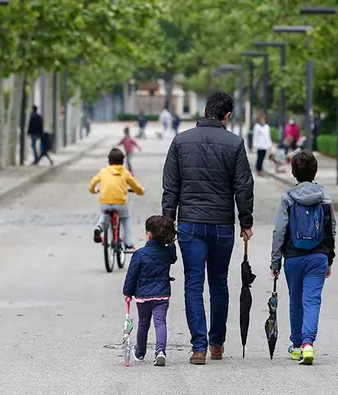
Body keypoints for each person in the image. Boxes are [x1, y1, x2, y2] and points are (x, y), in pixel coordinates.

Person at [162, 91, 254, 365]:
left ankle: (198, 347)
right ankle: (217, 343)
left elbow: (171, 187)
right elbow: (243, 186)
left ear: (204, 111)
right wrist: (245, 221)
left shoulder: (180, 141)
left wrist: (168, 222)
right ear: (227, 116)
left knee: (193, 283)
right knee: (219, 283)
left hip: (190, 224)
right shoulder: (235, 144)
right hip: (222, 225)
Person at [270, 151, 336, 365]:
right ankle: (308, 343)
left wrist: (275, 261)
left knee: (296, 301)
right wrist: (330, 259)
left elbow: (279, 231)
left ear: (294, 172)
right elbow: (330, 230)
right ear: (315, 171)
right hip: (318, 256)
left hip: (293, 257)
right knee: (312, 300)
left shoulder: (287, 198)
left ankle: (297, 346)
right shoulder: (324, 197)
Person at [123, 215, 178, 366]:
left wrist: (128, 292)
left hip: (143, 296)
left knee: (143, 324)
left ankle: (140, 352)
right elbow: (174, 257)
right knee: (160, 323)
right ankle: (160, 351)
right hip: (162, 294)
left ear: (149, 234)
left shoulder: (140, 254)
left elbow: (132, 275)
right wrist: (171, 242)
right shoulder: (167, 253)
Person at [90, 148, 145, 250]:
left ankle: (99, 228)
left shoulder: (103, 171)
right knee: (125, 218)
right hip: (119, 203)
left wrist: (94, 190)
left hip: (105, 202)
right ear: (123, 161)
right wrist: (141, 191)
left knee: (105, 214)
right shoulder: (125, 172)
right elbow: (135, 186)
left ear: (109, 161)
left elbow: (93, 182)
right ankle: (128, 242)